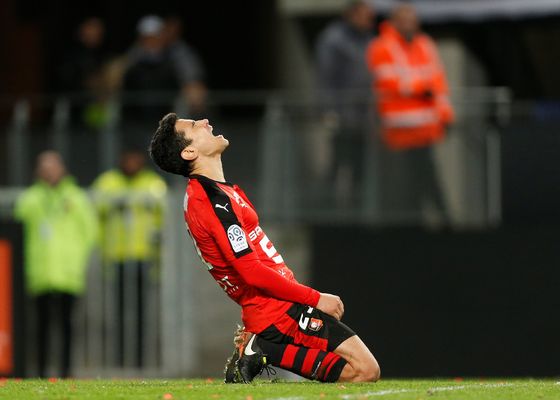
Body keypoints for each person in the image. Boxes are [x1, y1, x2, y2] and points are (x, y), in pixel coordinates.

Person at [148, 113, 380, 383]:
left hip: (278, 305)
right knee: (365, 371)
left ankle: (261, 350)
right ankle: (263, 348)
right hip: (274, 310)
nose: (204, 122)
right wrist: (315, 298)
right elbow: (251, 271)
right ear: (189, 152)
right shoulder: (210, 201)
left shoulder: (220, 193)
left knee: (362, 370)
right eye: (193, 126)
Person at [366, 3, 454, 222]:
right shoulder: (382, 46)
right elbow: (388, 81)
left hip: (426, 130)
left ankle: (441, 224)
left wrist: (446, 115)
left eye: (412, 19)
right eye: (404, 19)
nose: (409, 24)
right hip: (398, 133)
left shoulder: (425, 44)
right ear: (394, 21)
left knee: (428, 180)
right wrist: (420, 88)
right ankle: (408, 227)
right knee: (401, 186)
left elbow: (438, 84)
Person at [13, 151, 98, 377]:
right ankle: (40, 372)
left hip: (68, 273)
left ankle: (65, 372)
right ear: (38, 171)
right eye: (45, 167)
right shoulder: (30, 199)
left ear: (62, 169)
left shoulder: (76, 198)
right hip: (39, 273)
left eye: (53, 166)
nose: (49, 171)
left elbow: (90, 232)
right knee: (39, 327)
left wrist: (76, 258)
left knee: (67, 326)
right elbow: (18, 234)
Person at [92, 149, 167, 367]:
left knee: (143, 315)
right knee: (117, 315)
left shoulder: (153, 184)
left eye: (135, 158)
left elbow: (165, 216)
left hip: (144, 258)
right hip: (116, 258)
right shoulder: (108, 182)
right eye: (128, 158)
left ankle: (140, 360)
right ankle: (119, 360)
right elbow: (96, 206)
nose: (132, 162)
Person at [315, 1, 375, 208]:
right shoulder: (334, 39)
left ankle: (357, 211)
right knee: (338, 165)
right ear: (352, 14)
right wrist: (329, 111)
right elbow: (326, 77)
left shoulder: (368, 38)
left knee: (361, 168)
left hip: (363, 118)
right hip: (342, 116)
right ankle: (328, 211)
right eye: (365, 15)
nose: (370, 20)